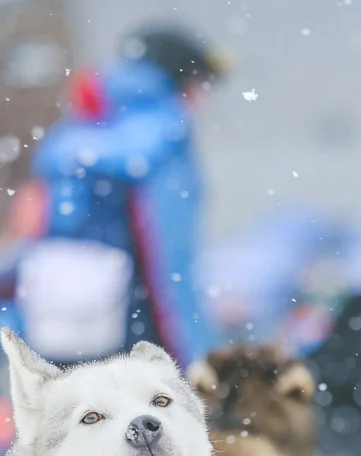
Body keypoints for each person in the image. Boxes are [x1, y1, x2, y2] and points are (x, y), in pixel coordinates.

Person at [8, 24, 228, 369]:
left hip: (66, 307)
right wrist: (191, 349)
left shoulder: (84, 123)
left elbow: (42, 221)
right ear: (179, 79)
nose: (202, 98)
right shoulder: (164, 126)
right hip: (131, 309)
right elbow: (172, 256)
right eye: (200, 83)